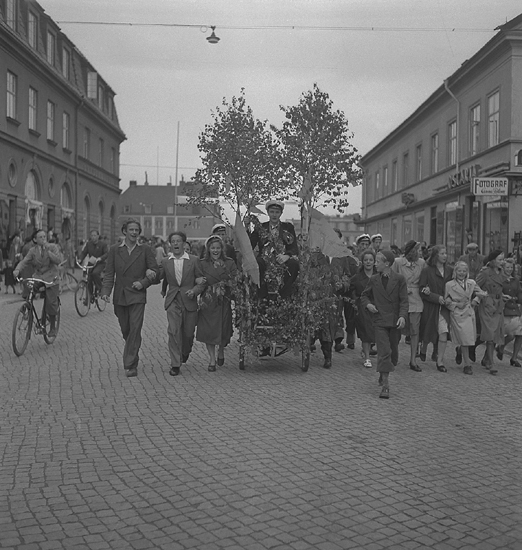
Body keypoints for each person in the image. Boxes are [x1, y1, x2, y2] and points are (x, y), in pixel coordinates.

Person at [101, 219, 157, 378]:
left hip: (137, 294)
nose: (134, 233)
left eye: (136, 230)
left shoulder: (145, 250)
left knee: (135, 327)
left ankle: (130, 364)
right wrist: (106, 291)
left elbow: (155, 271)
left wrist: (144, 282)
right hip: (120, 295)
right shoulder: (114, 250)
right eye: (131, 230)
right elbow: (109, 272)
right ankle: (132, 351)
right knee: (126, 329)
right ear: (124, 231)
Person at [361, 250, 408, 399]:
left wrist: (402, 316)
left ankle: (383, 373)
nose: (375, 264)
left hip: (395, 322)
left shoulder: (399, 279)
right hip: (380, 320)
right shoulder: (374, 279)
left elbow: (404, 300)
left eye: (378, 261)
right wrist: (368, 305)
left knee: (393, 354)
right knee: (384, 351)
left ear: (386, 263)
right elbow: (364, 295)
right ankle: (386, 385)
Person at [157, 231, 204, 377]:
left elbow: (201, 281)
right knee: (173, 331)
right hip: (173, 300)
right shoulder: (166, 261)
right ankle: (175, 364)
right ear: (170, 244)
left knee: (188, 334)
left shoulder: (194, 260)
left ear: (184, 243)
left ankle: (185, 351)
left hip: (189, 301)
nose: (176, 243)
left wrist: (195, 290)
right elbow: (159, 277)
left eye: (178, 241)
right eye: (173, 241)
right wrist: (150, 272)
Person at [196, 235, 238, 371]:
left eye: (218, 248)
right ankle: (212, 359)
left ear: (222, 249)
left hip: (223, 299)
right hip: (208, 299)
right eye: (213, 248)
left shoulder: (229, 262)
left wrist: (227, 284)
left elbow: (235, 278)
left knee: (224, 328)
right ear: (208, 249)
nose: (215, 251)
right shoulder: (202, 263)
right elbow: (197, 278)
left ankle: (221, 350)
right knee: (209, 330)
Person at [13, 229, 62, 337]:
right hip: (39, 276)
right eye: (41, 237)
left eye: (44, 236)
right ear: (35, 239)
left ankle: (53, 327)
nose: (44, 239)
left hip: (51, 277)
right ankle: (27, 307)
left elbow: (58, 260)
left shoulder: (52, 247)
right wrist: (17, 270)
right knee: (30, 287)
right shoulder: (33, 251)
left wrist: (48, 252)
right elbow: (24, 261)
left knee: (50, 302)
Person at [248, 200, 299, 300]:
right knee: (258, 264)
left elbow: (293, 246)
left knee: (294, 264)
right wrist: (246, 227)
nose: (274, 215)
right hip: (265, 259)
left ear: (281, 213)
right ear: (268, 212)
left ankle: (284, 295)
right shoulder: (261, 227)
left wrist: (287, 256)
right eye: (272, 212)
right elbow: (250, 244)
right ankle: (262, 295)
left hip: (281, 259)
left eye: (277, 212)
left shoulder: (287, 227)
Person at [445, 261, 486, 375]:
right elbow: (446, 301)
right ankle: (467, 365)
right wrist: (456, 305)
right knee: (464, 338)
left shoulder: (471, 283)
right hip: (458, 313)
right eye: (459, 271)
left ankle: (460, 351)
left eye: (464, 271)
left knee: (469, 339)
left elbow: (481, 293)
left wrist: (475, 300)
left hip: (468, 311)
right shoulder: (449, 285)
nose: (461, 273)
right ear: (455, 271)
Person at [392, 240, 425, 372]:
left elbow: (425, 279)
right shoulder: (398, 262)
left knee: (415, 330)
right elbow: (392, 279)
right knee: (397, 329)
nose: (419, 253)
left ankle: (413, 360)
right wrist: (402, 289)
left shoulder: (422, 263)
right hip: (400, 299)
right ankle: (393, 356)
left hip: (416, 299)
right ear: (411, 251)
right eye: (417, 250)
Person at [418, 245, 453, 372]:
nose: (445, 256)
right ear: (436, 255)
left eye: (446, 253)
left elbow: (454, 287)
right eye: (442, 253)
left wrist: (449, 298)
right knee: (429, 329)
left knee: (443, 332)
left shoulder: (450, 270)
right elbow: (421, 289)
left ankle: (440, 361)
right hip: (431, 306)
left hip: (445, 307)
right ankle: (423, 347)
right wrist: (434, 296)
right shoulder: (427, 271)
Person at [476, 250, 506, 375]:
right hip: (487, 305)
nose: (502, 262)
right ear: (493, 260)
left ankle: (486, 358)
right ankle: (491, 363)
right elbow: (475, 286)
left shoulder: (502, 272)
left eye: (503, 259)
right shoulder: (485, 273)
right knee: (489, 333)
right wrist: (483, 295)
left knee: (495, 334)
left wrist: (504, 296)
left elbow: (500, 288)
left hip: (498, 305)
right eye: (500, 259)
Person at [331, 228, 358, 351]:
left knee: (337, 316)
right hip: (321, 292)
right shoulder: (319, 254)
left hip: (337, 293)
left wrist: (343, 283)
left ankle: (338, 341)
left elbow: (347, 274)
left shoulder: (342, 257)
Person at [349, 249, 376, 368]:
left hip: (377, 306)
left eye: (371, 260)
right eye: (366, 260)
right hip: (363, 307)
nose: (368, 262)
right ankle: (367, 357)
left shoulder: (379, 275)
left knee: (376, 331)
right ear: (362, 262)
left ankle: (369, 351)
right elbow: (349, 289)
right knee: (365, 332)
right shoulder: (357, 277)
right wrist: (355, 301)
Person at [497, 258, 522, 368]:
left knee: (519, 334)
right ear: (503, 268)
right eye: (507, 267)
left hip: (515, 308)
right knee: (510, 334)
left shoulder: (516, 280)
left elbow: (519, 292)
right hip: (504, 308)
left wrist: (519, 300)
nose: (509, 269)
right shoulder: (499, 279)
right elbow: (497, 291)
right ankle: (500, 347)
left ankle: (514, 358)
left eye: (511, 267)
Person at [79, 229, 108, 294]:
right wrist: (80, 259)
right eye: (92, 235)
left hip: (100, 263)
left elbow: (106, 253)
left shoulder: (103, 244)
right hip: (91, 262)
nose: (93, 237)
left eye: (94, 235)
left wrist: (100, 258)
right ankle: (89, 297)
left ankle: (100, 288)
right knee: (88, 278)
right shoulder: (89, 244)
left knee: (95, 273)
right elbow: (84, 253)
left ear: (98, 236)